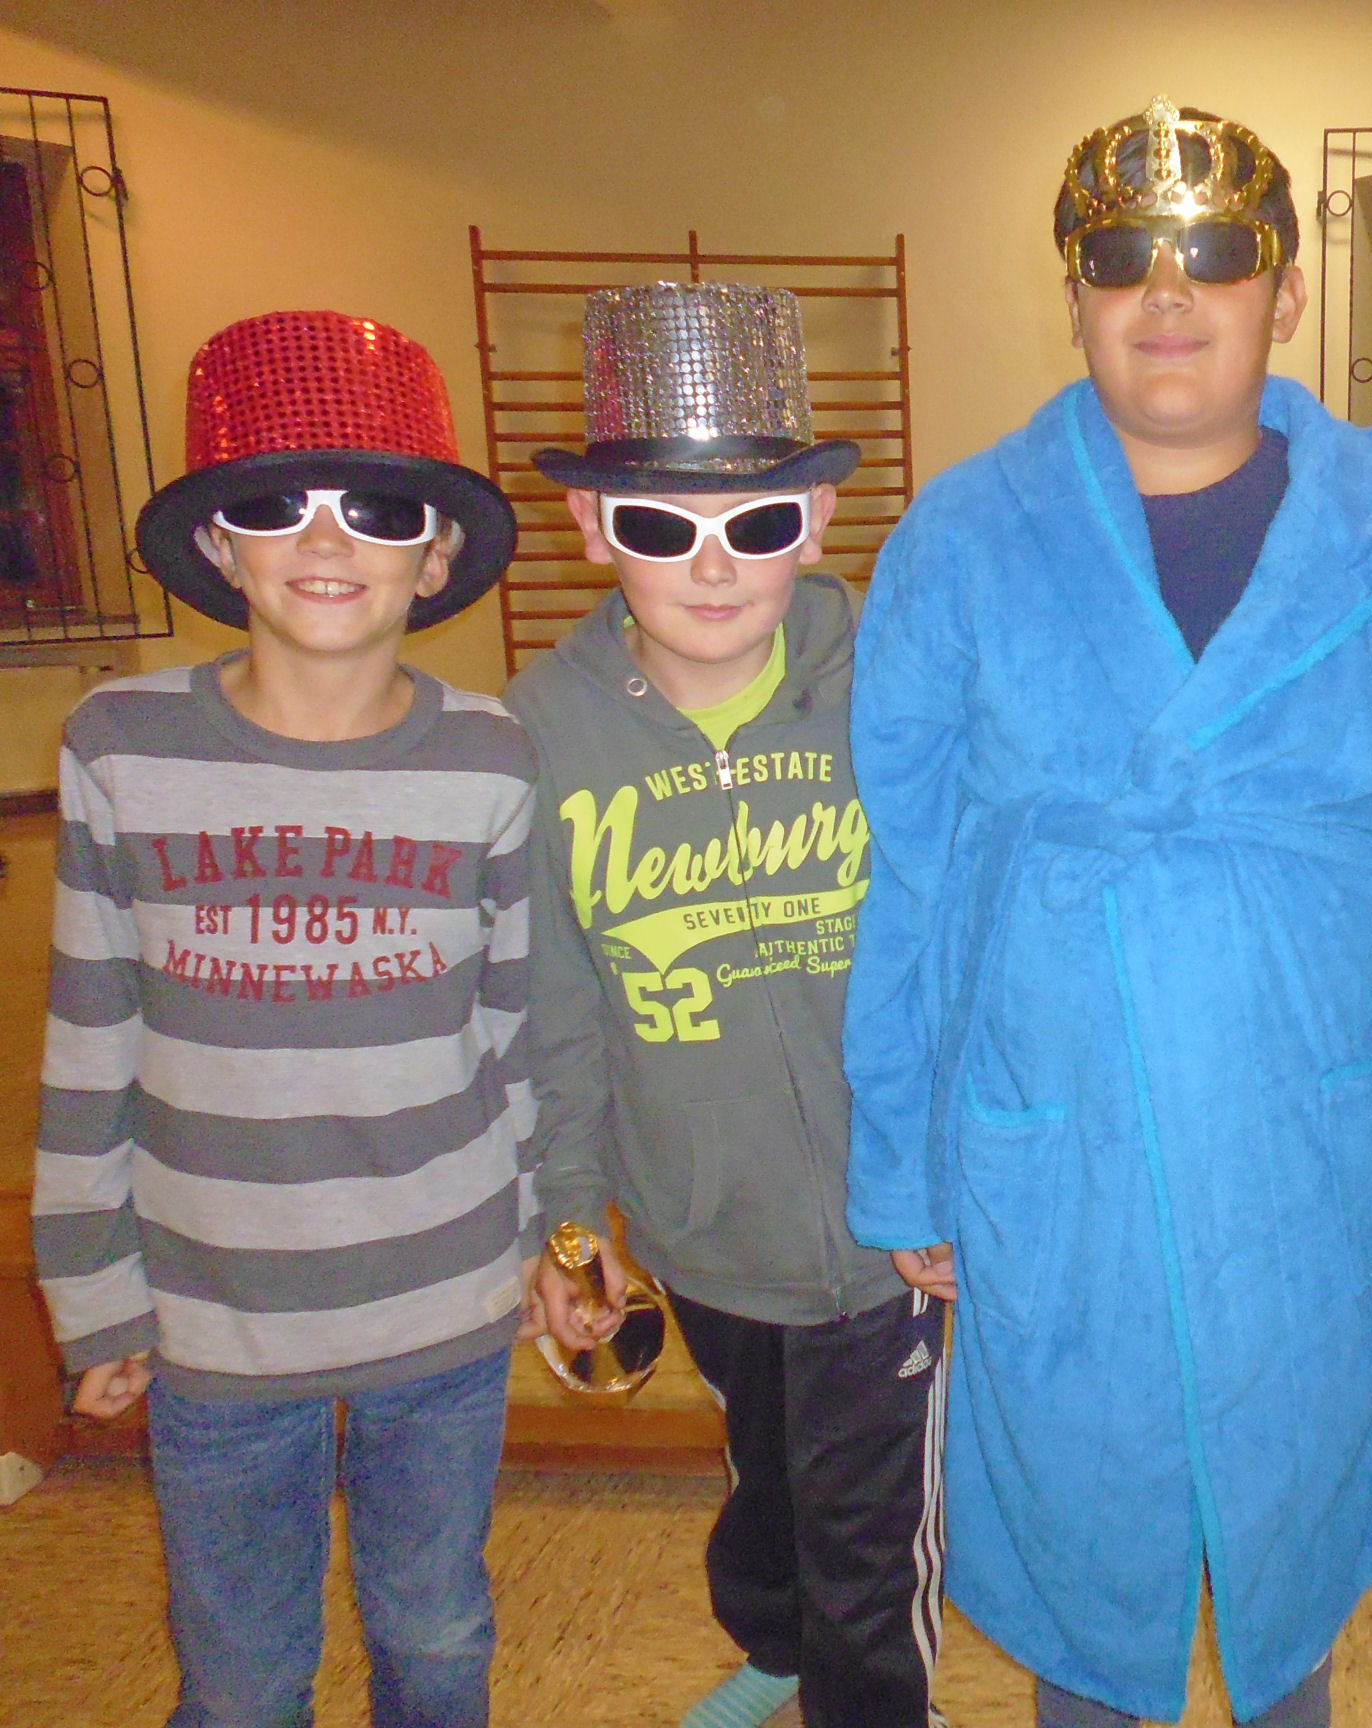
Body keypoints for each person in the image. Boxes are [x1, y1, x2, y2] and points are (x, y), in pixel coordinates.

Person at [840, 97, 1372, 1727]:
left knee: (1290, 1534)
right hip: (1058, 1118)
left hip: (1304, 1117)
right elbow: (909, 869)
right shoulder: (964, 533)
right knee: (1085, 1552)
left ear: (1286, 288)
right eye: (1122, 258)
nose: (1167, 294)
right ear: (1074, 294)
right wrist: (904, 1153)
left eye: (1216, 253)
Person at [31, 309, 534, 1728]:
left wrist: (538, 1243)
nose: (325, 540)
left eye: (377, 509)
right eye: (274, 505)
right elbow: (89, 1037)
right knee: (243, 1673)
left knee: (437, 1633)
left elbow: (512, 1036)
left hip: (444, 1298)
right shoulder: (121, 745)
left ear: (435, 554)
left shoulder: (492, 757)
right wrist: (92, 1287)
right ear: (219, 544)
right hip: (215, 1313)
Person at [510, 283, 944, 1728]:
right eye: (659, 525)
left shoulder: (898, 687)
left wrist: (957, 1159)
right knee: (770, 1469)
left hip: (890, 1224)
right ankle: (777, 1640)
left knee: (871, 1535)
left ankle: (867, 1698)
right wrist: (569, 1212)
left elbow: (976, 935)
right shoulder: (543, 733)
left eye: (754, 525)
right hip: (698, 1219)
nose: (711, 567)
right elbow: (559, 1005)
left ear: (815, 523)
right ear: (592, 527)